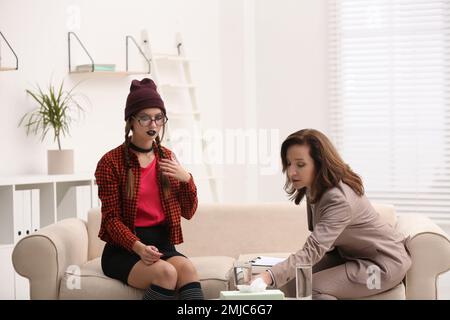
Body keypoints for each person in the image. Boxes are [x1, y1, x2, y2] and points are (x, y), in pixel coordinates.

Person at [256, 129, 412, 299]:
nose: (291, 172)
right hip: (350, 256)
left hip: (382, 266)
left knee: (310, 287)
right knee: (294, 281)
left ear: (319, 163)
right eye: (289, 163)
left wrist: (268, 276)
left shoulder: (338, 199)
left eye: (300, 164)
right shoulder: (315, 187)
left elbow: (314, 249)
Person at [95, 78, 204, 300]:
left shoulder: (167, 158)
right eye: (145, 118)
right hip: (125, 248)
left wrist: (187, 179)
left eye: (158, 118)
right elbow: (111, 220)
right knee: (166, 273)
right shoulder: (110, 162)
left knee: (189, 270)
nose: (153, 124)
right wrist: (138, 247)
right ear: (131, 122)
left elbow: (189, 212)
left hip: (162, 243)